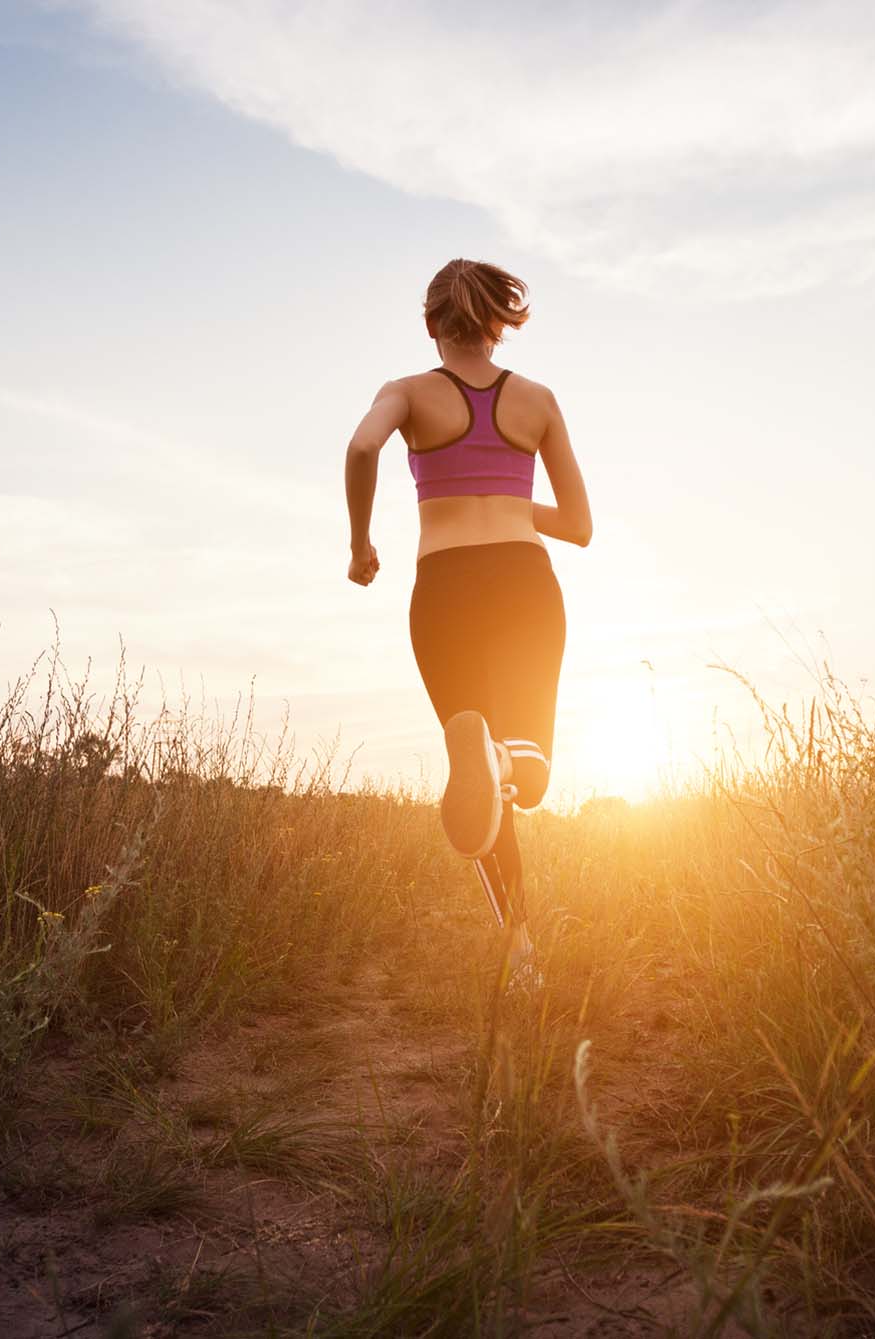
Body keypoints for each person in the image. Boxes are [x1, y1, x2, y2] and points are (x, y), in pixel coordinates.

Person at [342, 258, 593, 990]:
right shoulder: (538, 401)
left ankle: (522, 955)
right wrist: (511, 501)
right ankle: (506, 763)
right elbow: (578, 525)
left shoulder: (408, 392)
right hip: (523, 581)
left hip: (444, 589)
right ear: (496, 325)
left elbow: (362, 447)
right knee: (525, 774)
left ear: (431, 324)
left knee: (480, 784)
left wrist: (360, 547)